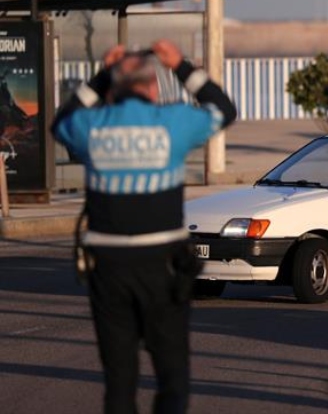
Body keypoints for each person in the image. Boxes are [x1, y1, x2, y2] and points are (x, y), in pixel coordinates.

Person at [51, 40, 237, 414]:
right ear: (153, 86)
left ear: (115, 87)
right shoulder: (173, 122)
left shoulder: (91, 126)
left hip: (109, 266)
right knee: (172, 376)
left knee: (119, 379)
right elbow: (224, 110)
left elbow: (60, 123)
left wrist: (104, 73)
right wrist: (180, 65)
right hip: (162, 265)